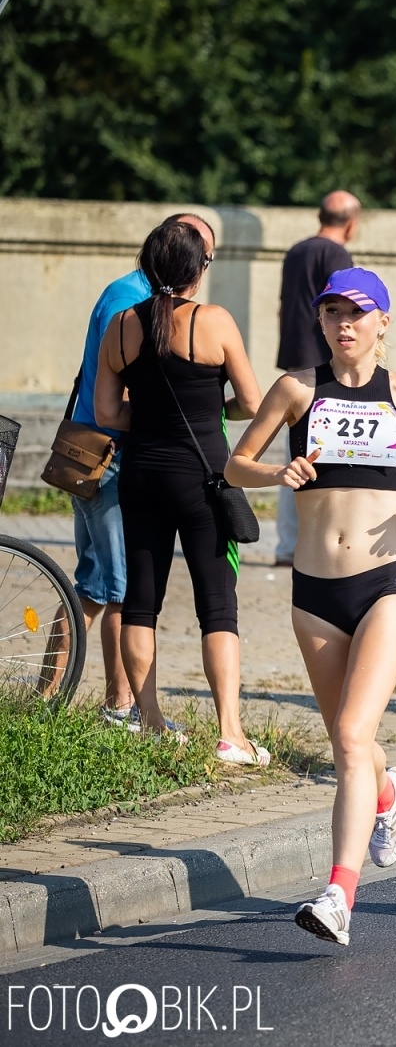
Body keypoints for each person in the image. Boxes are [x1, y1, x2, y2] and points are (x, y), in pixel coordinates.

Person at [225, 267, 396, 946]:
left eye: (359, 313)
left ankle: (338, 895)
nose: (345, 324)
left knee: (347, 737)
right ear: (321, 321)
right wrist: (273, 472)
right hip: (313, 595)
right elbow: (234, 465)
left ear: (383, 323)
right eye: (334, 311)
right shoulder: (296, 389)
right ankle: (389, 793)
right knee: (353, 740)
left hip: (383, 588)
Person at [93, 219, 267, 765]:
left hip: (142, 473)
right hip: (203, 477)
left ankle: (148, 720)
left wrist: (146, 415)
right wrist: (212, 408)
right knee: (217, 605)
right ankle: (230, 734)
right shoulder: (214, 322)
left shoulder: (122, 325)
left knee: (141, 600)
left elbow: (106, 412)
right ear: (200, 270)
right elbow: (252, 401)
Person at [70, 213, 215, 730]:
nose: (203, 269)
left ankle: (45, 695)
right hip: (110, 455)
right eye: (203, 259)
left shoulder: (133, 294)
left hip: (105, 448)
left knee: (91, 586)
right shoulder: (131, 302)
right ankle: (122, 707)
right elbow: (117, 387)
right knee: (121, 589)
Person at [274, 190, 360, 567]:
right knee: (321, 455)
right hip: (323, 367)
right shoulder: (337, 255)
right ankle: (302, 545)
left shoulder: (296, 251)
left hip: (294, 361)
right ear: (352, 224)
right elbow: (348, 313)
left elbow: (282, 308)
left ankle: (287, 543)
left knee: (294, 452)